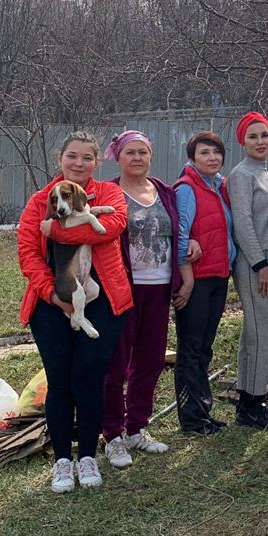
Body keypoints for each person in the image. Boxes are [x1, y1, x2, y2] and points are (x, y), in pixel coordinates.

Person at [17, 131, 131, 492]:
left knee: (88, 378)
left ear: (97, 162)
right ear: (60, 158)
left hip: (105, 301)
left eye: (86, 158)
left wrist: (54, 228)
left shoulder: (110, 194)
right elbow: (28, 254)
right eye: (72, 157)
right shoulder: (39, 200)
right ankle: (63, 460)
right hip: (52, 304)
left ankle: (88, 457)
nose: (79, 164)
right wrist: (52, 295)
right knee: (61, 380)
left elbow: (110, 229)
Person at [101, 129, 180, 469]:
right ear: (117, 157)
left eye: (142, 152)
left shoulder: (163, 191)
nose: (137, 158)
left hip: (159, 287)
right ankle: (113, 435)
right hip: (121, 289)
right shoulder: (109, 192)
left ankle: (137, 428)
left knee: (150, 360)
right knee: (115, 364)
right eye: (130, 152)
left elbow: (177, 230)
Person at [227, 111, 268, 431]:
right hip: (254, 262)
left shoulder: (264, 173)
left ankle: (250, 400)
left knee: (254, 332)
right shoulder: (241, 174)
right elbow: (243, 225)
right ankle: (252, 405)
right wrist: (261, 265)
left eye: (264, 135)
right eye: (253, 136)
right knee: (267, 330)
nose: (260, 141)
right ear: (242, 141)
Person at [173, 131, 236, 435]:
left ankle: (203, 410)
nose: (212, 158)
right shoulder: (187, 189)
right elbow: (181, 234)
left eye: (216, 152)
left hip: (217, 276)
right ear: (192, 158)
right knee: (190, 348)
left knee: (205, 348)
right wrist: (186, 279)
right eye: (204, 153)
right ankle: (190, 417)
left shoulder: (220, 187)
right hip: (196, 281)